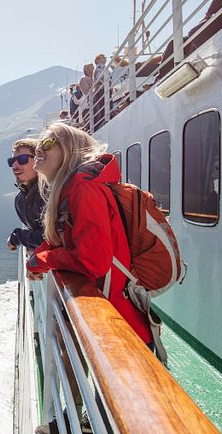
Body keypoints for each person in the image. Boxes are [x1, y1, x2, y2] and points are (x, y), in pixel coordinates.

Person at [26, 122, 152, 345]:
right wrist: (37, 259)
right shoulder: (72, 189)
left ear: (69, 149)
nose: (38, 150)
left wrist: (44, 259)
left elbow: (94, 262)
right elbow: (58, 241)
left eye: (46, 143)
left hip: (120, 328)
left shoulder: (84, 189)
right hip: (108, 314)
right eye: (37, 145)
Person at [6, 139, 45, 252]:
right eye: (11, 161)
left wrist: (17, 237)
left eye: (22, 159)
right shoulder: (20, 201)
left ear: (38, 160)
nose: (15, 165)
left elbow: (51, 237)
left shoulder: (50, 192)